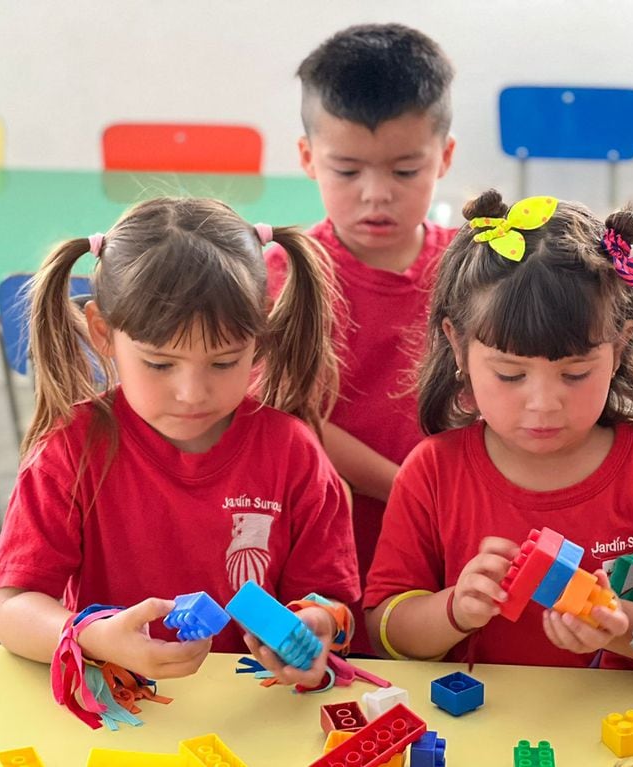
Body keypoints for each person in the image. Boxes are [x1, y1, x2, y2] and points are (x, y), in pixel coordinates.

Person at [0, 197, 359, 688]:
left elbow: (336, 607)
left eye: (224, 362)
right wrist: (91, 636)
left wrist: (316, 626)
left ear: (259, 336)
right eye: (160, 364)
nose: (192, 393)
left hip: (251, 711)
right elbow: (14, 611)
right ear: (103, 333)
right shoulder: (71, 450)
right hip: (121, 702)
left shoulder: (292, 452)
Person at [364, 191, 633, 668]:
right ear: (458, 346)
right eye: (510, 375)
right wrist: (454, 610)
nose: (544, 404)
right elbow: (385, 628)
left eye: (575, 374)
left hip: (623, 732)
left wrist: (618, 627)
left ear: (619, 348)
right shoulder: (432, 472)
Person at [265, 24, 457, 651]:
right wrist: (409, 489)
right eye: (346, 170)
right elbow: (291, 413)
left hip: (452, 547)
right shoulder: (287, 276)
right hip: (334, 553)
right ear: (305, 157)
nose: (376, 195)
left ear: (445, 157)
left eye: (406, 170)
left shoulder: (473, 269)